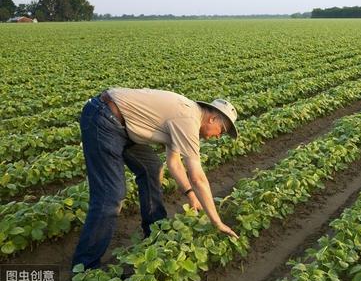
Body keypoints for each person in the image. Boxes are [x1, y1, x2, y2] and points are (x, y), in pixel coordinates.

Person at [71, 88, 239, 270]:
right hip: (104, 118)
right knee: (111, 195)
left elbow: (173, 163)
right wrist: (217, 221)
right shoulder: (188, 119)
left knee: (152, 167)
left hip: (123, 124)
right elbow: (197, 177)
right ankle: (85, 266)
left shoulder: (189, 117)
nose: (219, 136)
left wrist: (191, 195)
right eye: (221, 131)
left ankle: (155, 232)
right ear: (213, 119)